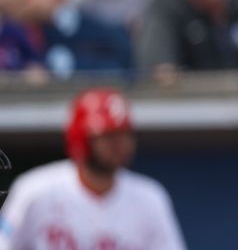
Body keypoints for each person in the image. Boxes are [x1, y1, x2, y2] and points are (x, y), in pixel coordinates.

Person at [0, 87, 186, 249]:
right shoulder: (35, 191)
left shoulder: (150, 198)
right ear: (81, 138)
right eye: (108, 136)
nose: (120, 145)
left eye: (125, 135)